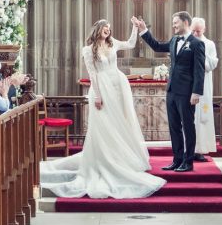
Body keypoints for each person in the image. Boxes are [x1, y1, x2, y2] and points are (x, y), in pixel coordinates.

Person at [41, 19, 165, 198]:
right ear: (98, 29)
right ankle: (105, 159)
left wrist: (134, 28)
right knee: (104, 124)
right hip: (102, 87)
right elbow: (93, 74)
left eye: (109, 28)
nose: (108, 30)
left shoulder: (113, 43)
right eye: (105, 28)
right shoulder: (88, 50)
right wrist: (98, 95)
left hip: (118, 85)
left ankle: (119, 158)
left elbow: (130, 43)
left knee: (119, 122)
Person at [137, 11, 205, 172]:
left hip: (187, 92)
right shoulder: (174, 40)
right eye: (173, 22)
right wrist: (144, 30)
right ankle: (177, 159)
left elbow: (199, 70)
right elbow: (157, 46)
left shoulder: (196, 43)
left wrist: (196, 92)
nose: (173, 25)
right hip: (172, 90)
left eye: (176, 22)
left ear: (185, 22)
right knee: (174, 126)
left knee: (188, 126)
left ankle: (188, 162)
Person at [191, 17, 218, 161]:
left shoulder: (209, 44)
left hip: (203, 86)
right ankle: (188, 149)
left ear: (204, 30)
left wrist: (201, 53)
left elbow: (212, 64)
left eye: (198, 31)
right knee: (190, 118)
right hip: (189, 86)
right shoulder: (186, 42)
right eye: (193, 31)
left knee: (202, 117)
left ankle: (200, 149)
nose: (195, 34)